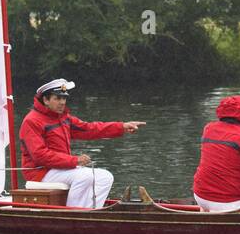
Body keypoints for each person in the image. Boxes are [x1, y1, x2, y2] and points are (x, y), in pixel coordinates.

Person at [18, 77, 145, 208]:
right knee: (85, 176)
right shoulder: (32, 121)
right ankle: (73, 214)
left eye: (64, 98)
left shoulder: (64, 118)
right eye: (57, 98)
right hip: (40, 172)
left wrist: (121, 126)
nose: (62, 102)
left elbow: (89, 129)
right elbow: (40, 155)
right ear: (45, 100)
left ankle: (92, 211)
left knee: (105, 177)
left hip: (60, 168)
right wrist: (74, 161)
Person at [192, 95, 240, 212]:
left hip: (199, 195)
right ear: (239, 115)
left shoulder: (208, 128)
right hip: (227, 203)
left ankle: (207, 212)